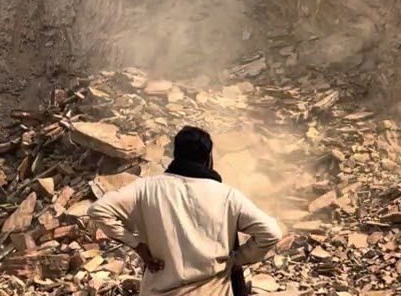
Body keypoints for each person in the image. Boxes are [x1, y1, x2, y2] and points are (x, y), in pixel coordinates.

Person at [87, 125, 282, 296]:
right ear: (208, 158)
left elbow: (99, 210)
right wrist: (237, 259)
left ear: (176, 154)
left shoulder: (146, 188)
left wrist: (138, 246)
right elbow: (270, 232)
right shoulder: (226, 195)